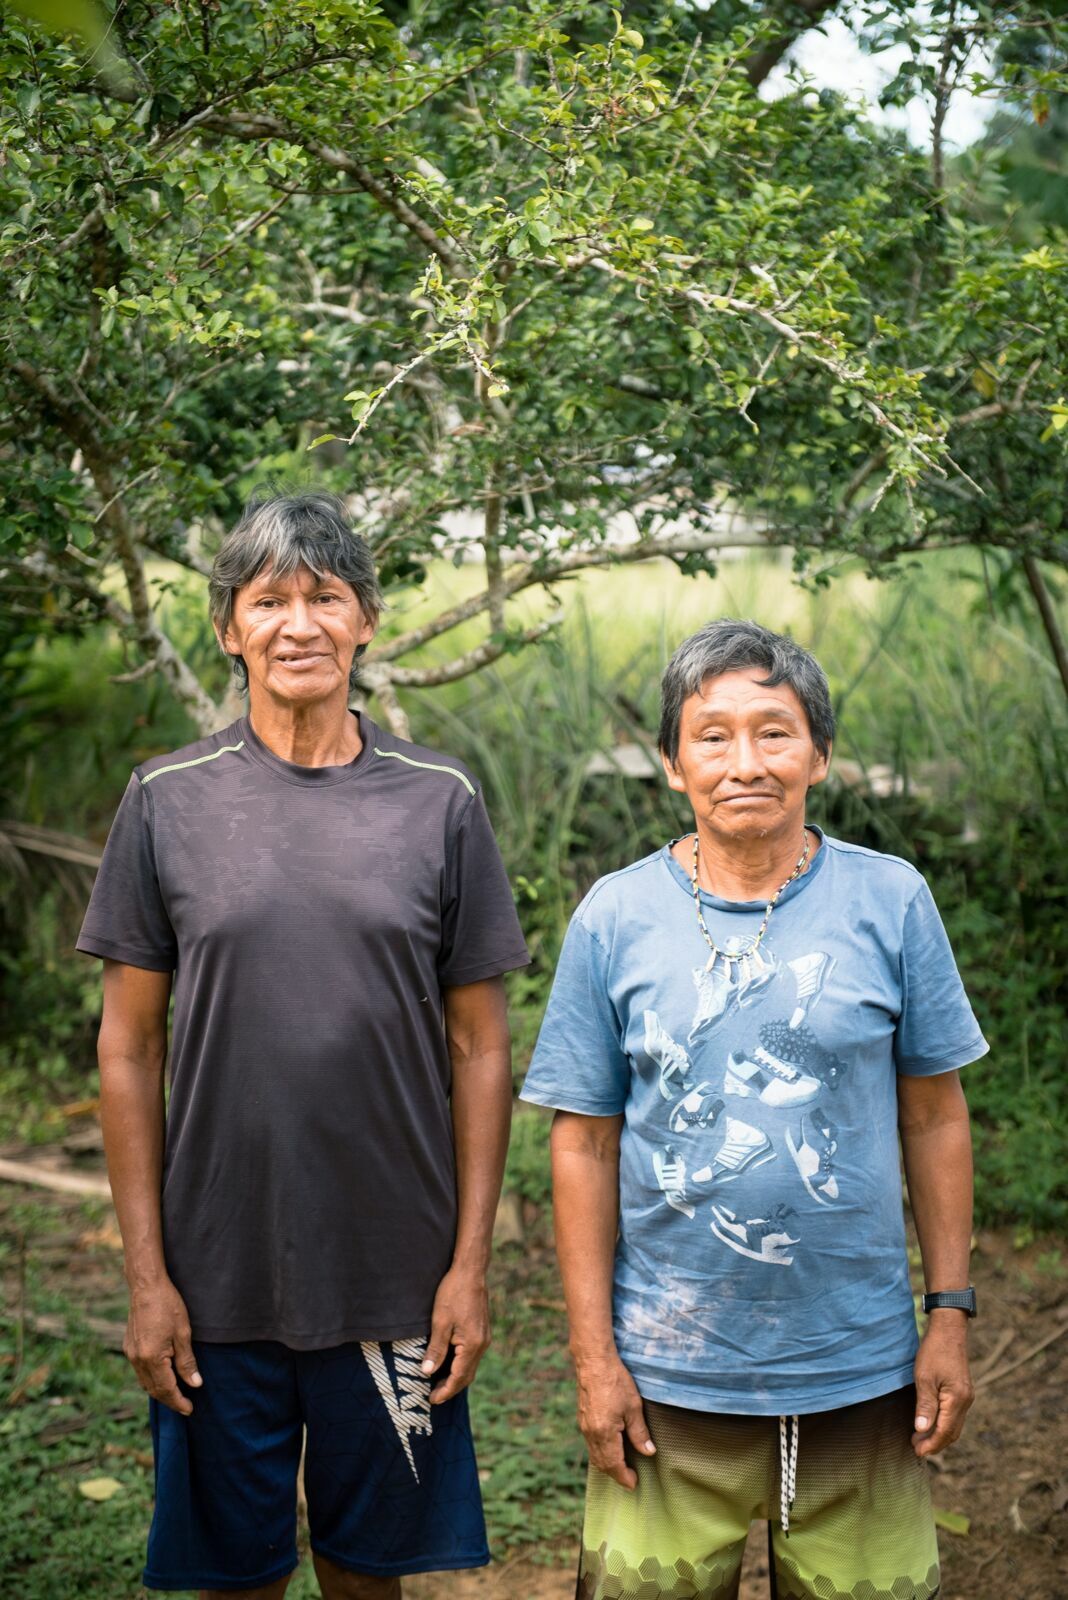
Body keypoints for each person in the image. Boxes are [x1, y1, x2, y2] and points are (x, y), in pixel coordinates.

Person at [76, 489, 529, 1600]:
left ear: (365, 618)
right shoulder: (166, 800)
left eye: (324, 596)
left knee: (371, 1571)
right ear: (229, 627)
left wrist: (468, 1267)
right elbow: (128, 1049)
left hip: (395, 1275)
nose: (299, 624)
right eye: (268, 599)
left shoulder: (439, 800)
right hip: (215, 1271)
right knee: (238, 1574)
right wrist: (148, 1279)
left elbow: (481, 1050)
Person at [520, 619, 984, 1600]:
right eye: (713, 733)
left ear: (819, 753)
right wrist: (594, 1356)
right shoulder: (615, 915)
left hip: (860, 1373)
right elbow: (586, 1141)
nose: (745, 761)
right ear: (671, 761)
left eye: (774, 732)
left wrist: (948, 1311)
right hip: (667, 1385)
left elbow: (937, 1115)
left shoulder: (889, 901)